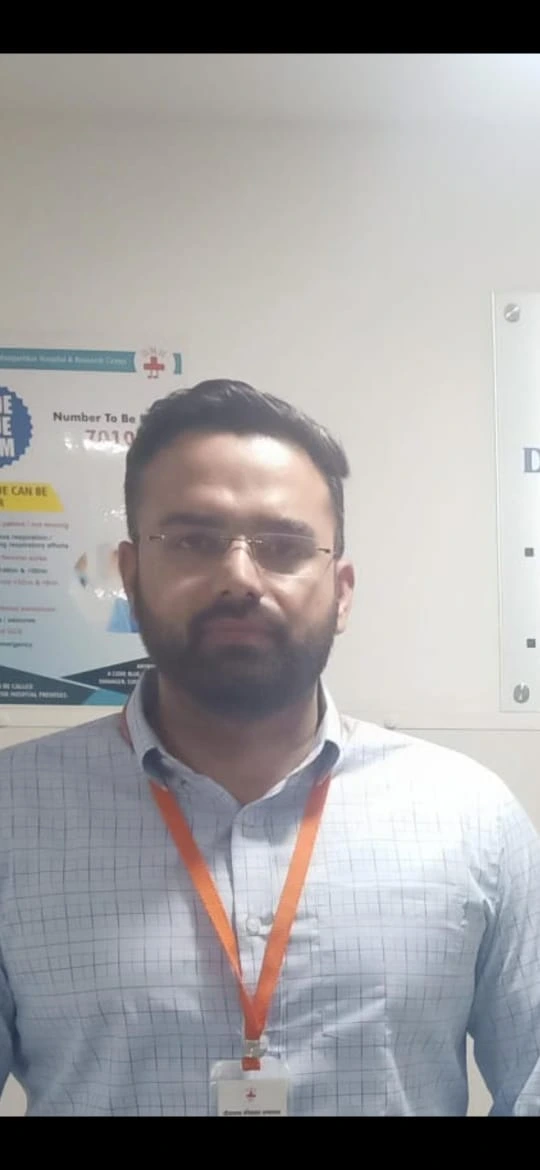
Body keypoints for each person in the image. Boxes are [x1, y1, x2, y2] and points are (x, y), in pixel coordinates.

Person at [0, 379, 539, 1117]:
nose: (238, 576)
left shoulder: (470, 818)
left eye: (283, 547)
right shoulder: (13, 815)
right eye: (193, 541)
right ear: (130, 575)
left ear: (342, 592)